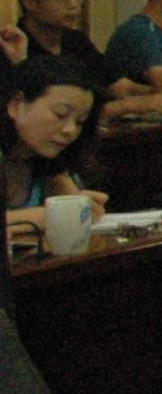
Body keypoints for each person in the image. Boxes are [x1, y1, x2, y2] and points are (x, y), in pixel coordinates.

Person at [7, 0, 162, 115]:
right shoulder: (13, 49)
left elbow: (120, 86)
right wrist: (125, 107)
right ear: (29, 2)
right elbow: (47, 113)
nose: (73, 4)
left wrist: (161, 94)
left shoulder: (76, 41)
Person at [4, 54, 107, 251]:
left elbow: (70, 207)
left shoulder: (49, 162)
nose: (70, 130)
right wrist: (44, 216)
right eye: (60, 114)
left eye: (80, 121)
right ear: (16, 104)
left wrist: (81, 207)